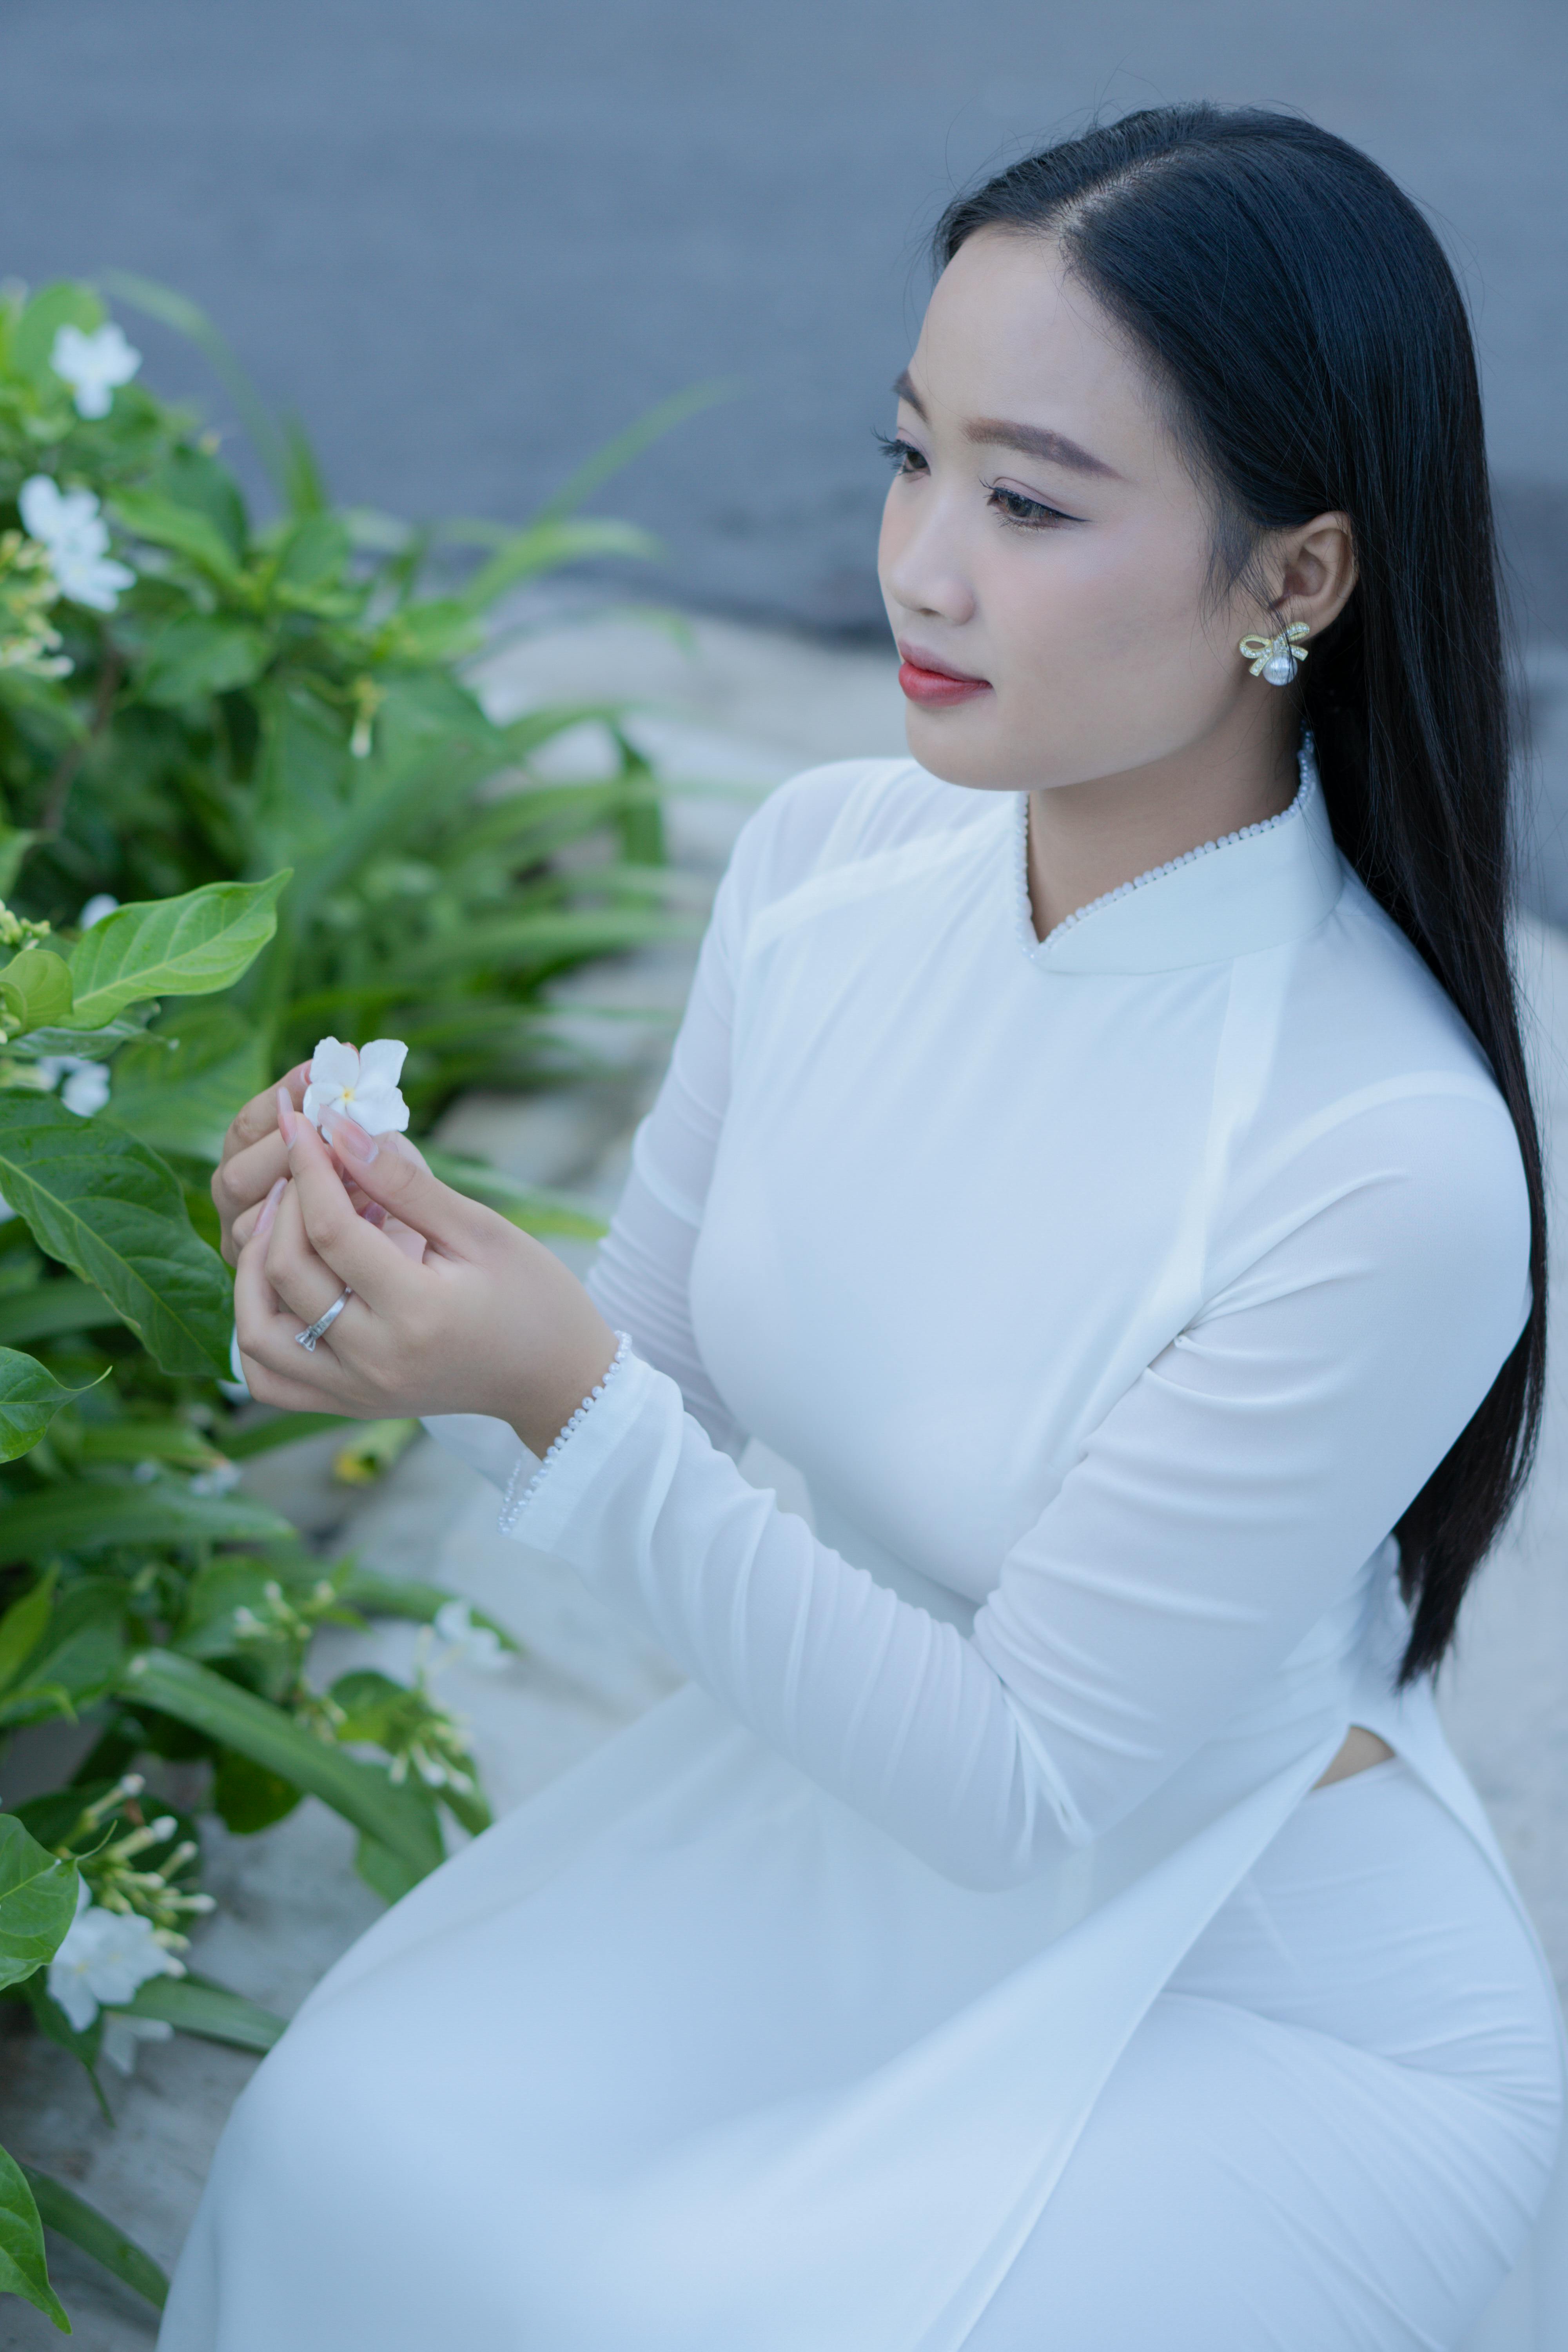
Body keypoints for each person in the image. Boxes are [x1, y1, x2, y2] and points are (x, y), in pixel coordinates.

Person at [160, 104, 1564, 2351]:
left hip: (1245, 1973)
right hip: (828, 1821)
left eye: (1026, 503)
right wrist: (378, 1292)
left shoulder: (1386, 1158)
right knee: (348, 2146)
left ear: (1294, 580)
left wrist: (557, 1387)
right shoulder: (825, 875)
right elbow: (631, 1395)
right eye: (912, 459)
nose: (917, 563)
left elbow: (1018, 1777)